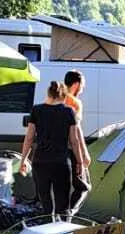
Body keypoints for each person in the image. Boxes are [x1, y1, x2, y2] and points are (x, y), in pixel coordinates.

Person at [18, 79, 88, 220]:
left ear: (49, 94)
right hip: (61, 163)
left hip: (40, 162)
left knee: (45, 203)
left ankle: (46, 231)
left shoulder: (37, 110)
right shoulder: (69, 112)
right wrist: (80, 162)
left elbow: (29, 138)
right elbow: (74, 141)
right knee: (62, 205)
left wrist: (23, 160)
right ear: (63, 96)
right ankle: (61, 233)